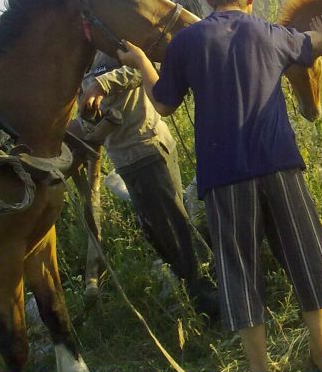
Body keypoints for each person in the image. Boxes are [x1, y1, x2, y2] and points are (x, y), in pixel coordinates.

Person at [118, 0, 322, 372]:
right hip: (279, 164)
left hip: (224, 176)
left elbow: (164, 104)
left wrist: (141, 62)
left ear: (206, 1)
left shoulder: (187, 42)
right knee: (306, 255)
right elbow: (313, 43)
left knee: (239, 270)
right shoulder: (271, 33)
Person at [75, 51, 219, 319]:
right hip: (126, 160)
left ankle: (209, 299)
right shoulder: (77, 63)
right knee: (161, 234)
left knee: (175, 229)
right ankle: (200, 294)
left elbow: (146, 68)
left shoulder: (112, 45)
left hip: (147, 147)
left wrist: (102, 83)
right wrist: (88, 115)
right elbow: (87, 120)